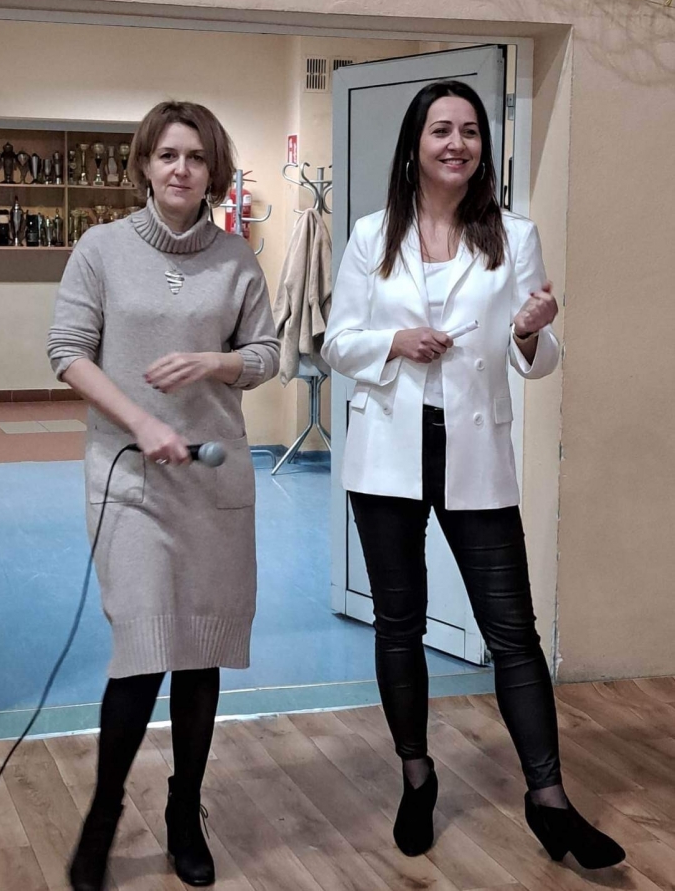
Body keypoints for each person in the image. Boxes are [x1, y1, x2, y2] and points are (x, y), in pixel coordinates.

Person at [322, 80, 625, 871]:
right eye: (441, 130)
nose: (457, 143)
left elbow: (537, 358)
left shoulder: (514, 235)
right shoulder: (371, 235)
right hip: (386, 456)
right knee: (399, 624)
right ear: (415, 144)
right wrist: (393, 343)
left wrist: (529, 332)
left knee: (512, 633)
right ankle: (416, 777)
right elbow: (336, 342)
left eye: (470, 131)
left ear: (483, 148)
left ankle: (549, 802)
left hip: (476, 451)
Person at [47, 101, 280, 890]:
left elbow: (267, 353)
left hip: (214, 478)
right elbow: (68, 352)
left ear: (214, 171)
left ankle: (185, 810)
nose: (182, 169)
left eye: (197, 157)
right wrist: (142, 421)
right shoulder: (102, 249)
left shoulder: (236, 258)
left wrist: (215, 363)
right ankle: (104, 814)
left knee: (199, 650)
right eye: (168, 154)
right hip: (130, 479)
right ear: (144, 164)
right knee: (144, 648)